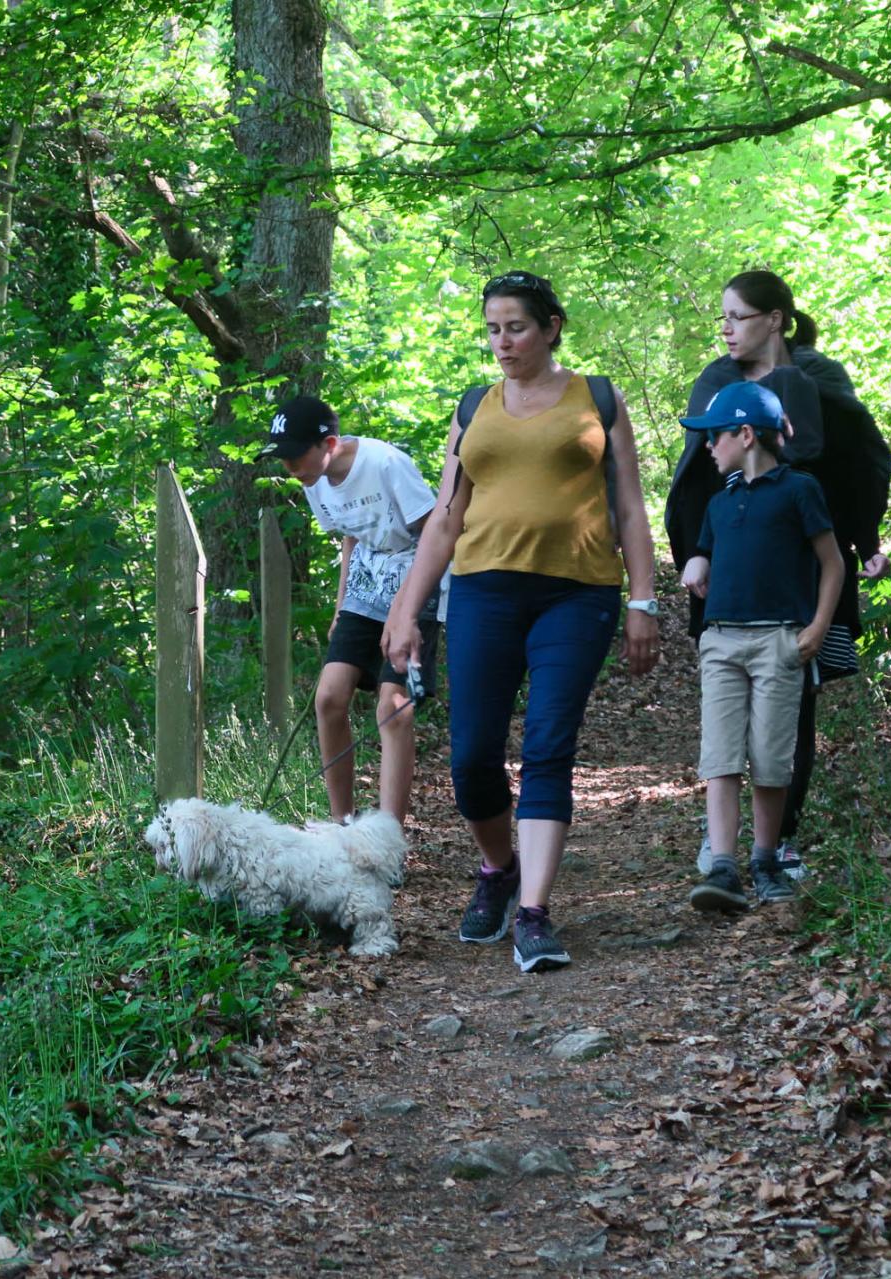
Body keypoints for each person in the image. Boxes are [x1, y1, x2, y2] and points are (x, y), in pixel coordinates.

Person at [383, 270, 660, 973]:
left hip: (579, 594)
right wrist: (407, 609)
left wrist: (643, 600)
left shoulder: (596, 397)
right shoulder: (474, 405)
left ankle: (533, 912)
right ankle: (499, 867)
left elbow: (629, 506)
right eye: (493, 328)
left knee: (547, 746)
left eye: (517, 327)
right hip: (482, 591)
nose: (503, 342)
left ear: (551, 326)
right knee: (473, 754)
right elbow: (446, 518)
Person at [664, 270, 891, 878]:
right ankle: (724, 846)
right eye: (723, 318)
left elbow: (857, 462)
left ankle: (778, 839)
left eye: (737, 316)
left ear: (775, 319)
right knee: (728, 712)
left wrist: (866, 541)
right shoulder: (717, 382)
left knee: (795, 707)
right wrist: (694, 554)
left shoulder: (819, 378)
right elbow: (694, 478)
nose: (726, 329)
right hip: (733, 570)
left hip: (808, 571)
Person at [676, 381, 843, 911]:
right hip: (721, 640)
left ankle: (765, 859)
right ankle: (723, 867)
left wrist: (816, 627)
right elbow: (705, 550)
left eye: (715, 436)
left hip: (778, 638)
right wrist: (697, 562)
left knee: (771, 758)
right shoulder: (719, 501)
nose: (708, 446)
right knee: (720, 758)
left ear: (746, 434)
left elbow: (832, 563)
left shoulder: (800, 489)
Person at [261, 394, 444, 826]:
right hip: (368, 577)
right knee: (328, 697)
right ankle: (343, 827)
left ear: (329, 445)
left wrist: (404, 610)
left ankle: (387, 840)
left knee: (392, 706)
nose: (289, 467)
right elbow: (351, 536)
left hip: (419, 573)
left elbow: (434, 533)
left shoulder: (384, 464)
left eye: (294, 455)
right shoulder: (314, 481)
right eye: (281, 457)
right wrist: (342, 606)